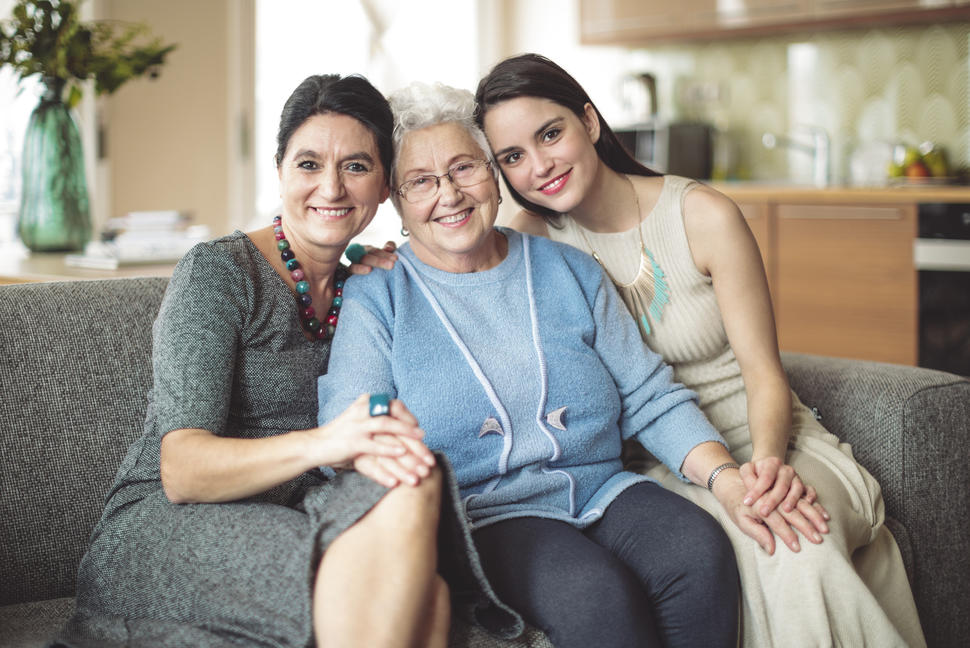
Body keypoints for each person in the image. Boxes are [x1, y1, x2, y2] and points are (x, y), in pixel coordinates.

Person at [474, 53, 926, 648]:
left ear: (590, 120)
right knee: (750, 548)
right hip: (652, 466)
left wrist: (767, 468)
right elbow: (452, 267)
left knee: (791, 541)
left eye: (550, 134)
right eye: (513, 157)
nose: (539, 167)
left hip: (769, 439)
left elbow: (764, 372)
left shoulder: (702, 215)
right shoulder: (533, 242)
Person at [52, 73, 514, 648]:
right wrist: (326, 442)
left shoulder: (367, 286)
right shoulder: (219, 274)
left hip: (298, 510)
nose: (332, 187)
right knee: (419, 600)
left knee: (417, 477)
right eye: (308, 164)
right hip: (167, 522)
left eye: (356, 166)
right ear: (279, 171)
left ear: (384, 189)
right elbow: (181, 469)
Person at [317, 80, 750, 648]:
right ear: (397, 202)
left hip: (602, 488)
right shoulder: (380, 294)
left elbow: (648, 395)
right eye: (420, 182)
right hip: (486, 517)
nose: (448, 195)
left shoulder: (568, 269)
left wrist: (725, 476)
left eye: (464, 168)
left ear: (493, 173)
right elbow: (351, 434)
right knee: (596, 596)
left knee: (699, 547)